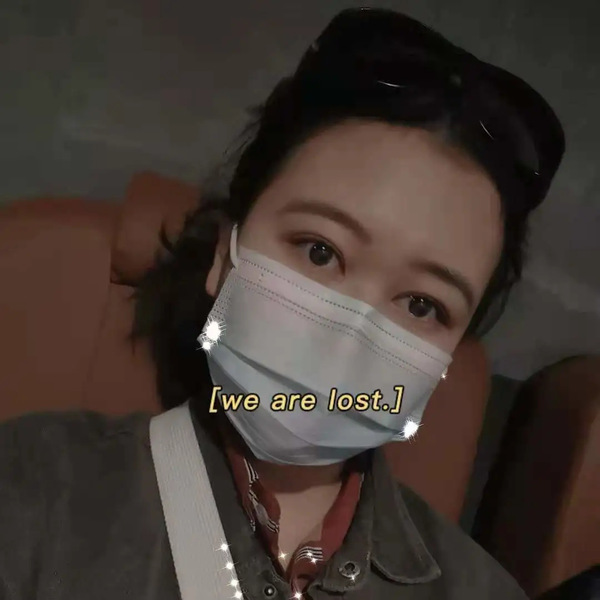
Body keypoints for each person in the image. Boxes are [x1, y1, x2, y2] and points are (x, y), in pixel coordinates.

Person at [0, 7, 565, 600]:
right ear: (225, 254)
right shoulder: (33, 493)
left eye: (422, 305)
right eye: (320, 251)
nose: (349, 334)